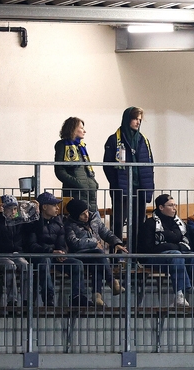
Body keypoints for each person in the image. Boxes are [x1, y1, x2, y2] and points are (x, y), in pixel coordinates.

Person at [138, 194, 194, 308]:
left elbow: (188, 245)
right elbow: (147, 248)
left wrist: (168, 243)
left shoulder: (179, 224)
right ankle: (180, 294)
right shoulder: (150, 224)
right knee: (176, 254)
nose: (174, 208)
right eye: (171, 205)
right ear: (161, 207)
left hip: (177, 256)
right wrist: (175, 246)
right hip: (154, 258)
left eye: (175, 205)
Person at [22, 192, 85, 307]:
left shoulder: (58, 222)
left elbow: (61, 243)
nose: (57, 208)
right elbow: (31, 245)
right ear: (44, 207)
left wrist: (62, 252)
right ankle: (48, 297)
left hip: (54, 256)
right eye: (54, 205)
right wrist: (51, 252)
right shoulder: (32, 223)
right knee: (45, 261)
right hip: (40, 256)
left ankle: (78, 296)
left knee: (77, 263)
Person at [103, 107, 154, 245]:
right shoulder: (114, 139)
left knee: (138, 222)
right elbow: (107, 166)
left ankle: (135, 256)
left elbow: (150, 165)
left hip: (140, 189)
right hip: (122, 189)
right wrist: (117, 184)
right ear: (127, 119)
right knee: (119, 222)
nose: (138, 122)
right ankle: (116, 257)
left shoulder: (143, 140)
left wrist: (149, 188)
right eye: (135, 119)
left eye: (139, 120)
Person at [64, 198, 127, 307]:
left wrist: (116, 242)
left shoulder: (94, 219)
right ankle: (112, 282)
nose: (86, 215)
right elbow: (74, 243)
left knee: (98, 264)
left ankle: (97, 297)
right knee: (98, 254)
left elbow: (106, 233)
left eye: (87, 212)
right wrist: (93, 242)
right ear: (75, 215)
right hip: (80, 255)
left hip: (95, 256)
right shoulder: (69, 225)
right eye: (82, 214)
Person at [0, 195, 30, 306]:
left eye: (15, 209)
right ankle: (11, 300)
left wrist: (34, 213)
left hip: (16, 254)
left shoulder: (20, 220)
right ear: (4, 209)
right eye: (10, 209)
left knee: (26, 265)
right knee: (10, 266)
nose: (13, 212)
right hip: (0, 255)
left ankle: (26, 300)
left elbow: (31, 230)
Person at [54, 117, 99, 214]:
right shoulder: (62, 145)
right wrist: (78, 184)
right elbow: (60, 171)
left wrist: (93, 183)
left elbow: (87, 169)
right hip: (76, 194)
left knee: (95, 226)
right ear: (73, 129)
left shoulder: (81, 146)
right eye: (81, 128)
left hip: (90, 195)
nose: (85, 131)